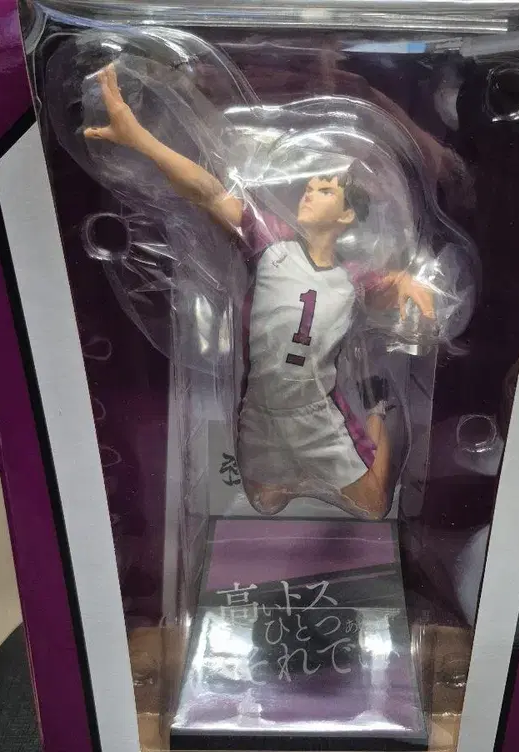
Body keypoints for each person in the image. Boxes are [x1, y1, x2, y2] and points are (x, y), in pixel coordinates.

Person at [86, 64, 436, 518]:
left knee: (372, 506)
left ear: (346, 216)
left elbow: (385, 298)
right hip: (261, 410)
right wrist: (140, 139)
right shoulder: (270, 242)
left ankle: (376, 411)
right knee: (263, 500)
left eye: (324, 190)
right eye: (309, 186)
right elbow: (209, 192)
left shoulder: (352, 276)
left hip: (315, 414)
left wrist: (406, 282)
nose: (309, 193)